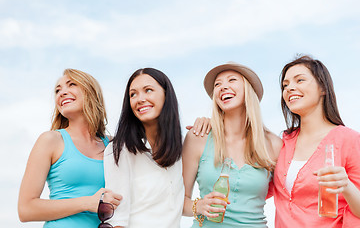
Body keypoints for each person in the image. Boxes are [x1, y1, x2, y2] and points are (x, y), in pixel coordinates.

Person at [182, 62, 282, 227]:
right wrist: (198, 205)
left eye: (232, 80)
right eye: (217, 84)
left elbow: (290, 196)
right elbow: (177, 200)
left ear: (248, 90)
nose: (223, 87)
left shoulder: (273, 144)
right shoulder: (198, 137)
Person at [18, 69, 122, 227]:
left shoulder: (114, 145)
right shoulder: (51, 140)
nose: (61, 93)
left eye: (71, 84)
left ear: (91, 92)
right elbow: (26, 209)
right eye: (57, 90)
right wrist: (88, 203)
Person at [273, 55, 360, 227]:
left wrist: (346, 186)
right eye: (285, 85)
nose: (290, 88)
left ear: (323, 88)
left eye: (300, 80)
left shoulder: (350, 140)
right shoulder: (282, 143)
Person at [103, 68, 185, 228]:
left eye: (148, 90)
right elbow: (116, 220)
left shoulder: (180, 146)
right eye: (133, 94)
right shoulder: (119, 150)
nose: (140, 99)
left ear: (166, 95)